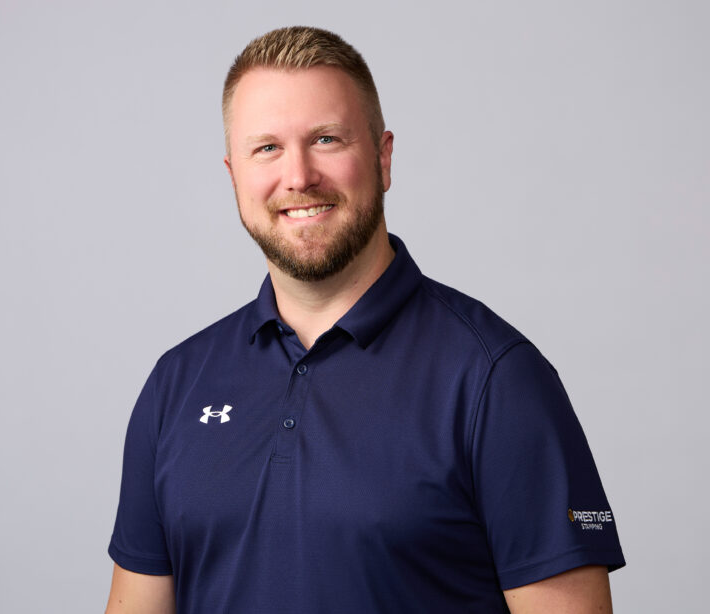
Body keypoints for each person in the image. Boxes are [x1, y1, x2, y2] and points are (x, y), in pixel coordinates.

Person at [105, 26, 625, 613]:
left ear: (382, 156)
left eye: (326, 139)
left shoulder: (495, 379)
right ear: (233, 174)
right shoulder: (177, 383)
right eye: (266, 148)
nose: (298, 176)